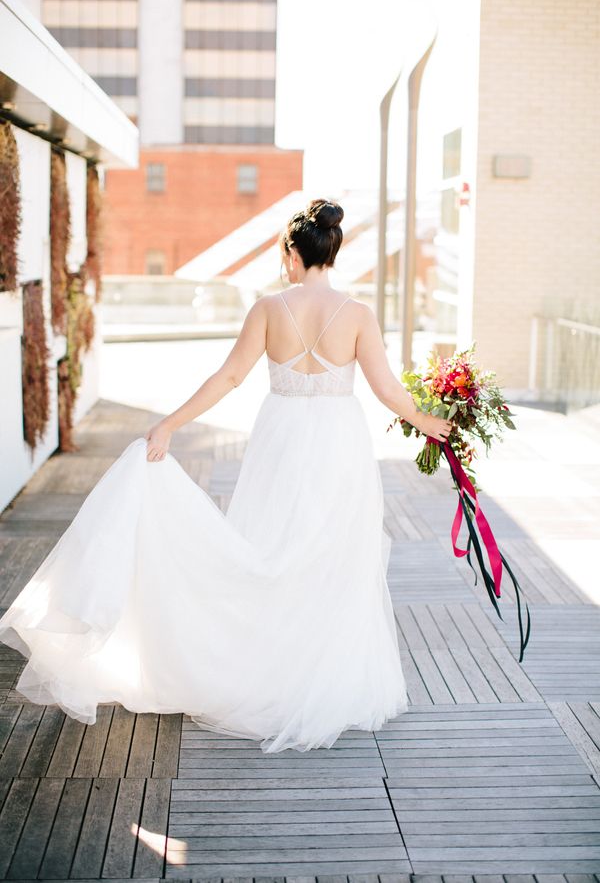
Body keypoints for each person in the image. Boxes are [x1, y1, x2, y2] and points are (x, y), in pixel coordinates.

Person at [0, 198, 452, 754]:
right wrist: (434, 424)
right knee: (334, 551)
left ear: (292, 253)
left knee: (268, 546)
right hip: (339, 442)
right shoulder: (357, 313)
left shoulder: (267, 309)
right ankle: (319, 670)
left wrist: (168, 425)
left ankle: (264, 663)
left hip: (281, 438)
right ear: (331, 252)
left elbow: (229, 377)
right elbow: (387, 391)